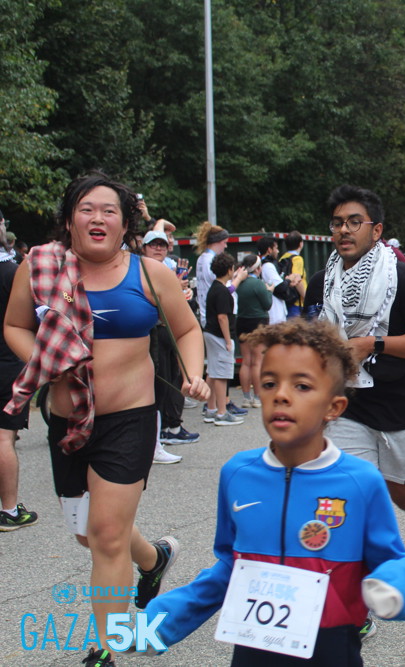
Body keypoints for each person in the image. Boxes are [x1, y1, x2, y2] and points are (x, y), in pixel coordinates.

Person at [2, 172, 211, 666]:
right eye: (87, 209)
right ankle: (154, 559)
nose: (98, 218)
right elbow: (14, 325)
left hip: (129, 420)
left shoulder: (150, 274)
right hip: (67, 421)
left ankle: (106, 648)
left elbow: (187, 331)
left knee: (108, 536)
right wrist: (47, 360)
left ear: (124, 223)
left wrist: (194, 374)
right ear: (69, 219)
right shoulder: (40, 267)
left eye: (109, 210)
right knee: (89, 534)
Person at [145, 319, 405, 664]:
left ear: (334, 407)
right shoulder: (238, 473)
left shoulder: (360, 481)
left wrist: (395, 586)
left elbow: (393, 559)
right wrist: (154, 627)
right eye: (269, 383)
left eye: (302, 385)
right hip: (251, 650)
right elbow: (230, 567)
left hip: (331, 649)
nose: (281, 394)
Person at [320, 185, 405, 582]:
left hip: (399, 405)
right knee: (347, 494)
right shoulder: (324, 281)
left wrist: (372, 344)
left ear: (376, 230)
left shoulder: (403, 278)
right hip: (347, 405)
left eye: (354, 222)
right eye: (337, 223)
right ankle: (355, 589)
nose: (344, 230)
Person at [142, 226, 198, 464]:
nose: (158, 248)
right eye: (153, 244)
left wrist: (182, 292)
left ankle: (160, 439)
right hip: (146, 335)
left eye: (162, 245)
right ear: (144, 247)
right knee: (153, 387)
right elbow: (67, 297)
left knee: (165, 385)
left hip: (165, 332)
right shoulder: (137, 270)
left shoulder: (168, 269)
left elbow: (186, 321)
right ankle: (157, 440)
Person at [0, 214, 38, 530]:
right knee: (3, 437)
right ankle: (10, 511)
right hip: (8, 362)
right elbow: (37, 315)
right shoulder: (12, 272)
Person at [204, 253, 245, 426]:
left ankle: (211, 409)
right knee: (221, 374)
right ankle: (222, 412)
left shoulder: (215, 287)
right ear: (229, 270)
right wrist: (228, 340)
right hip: (220, 335)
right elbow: (222, 317)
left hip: (210, 333)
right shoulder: (222, 291)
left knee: (212, 372)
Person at [235, 254, 274, 408]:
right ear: (257, 268)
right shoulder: (258, 284)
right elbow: (267, 304)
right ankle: (257, 398)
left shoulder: (239, 282)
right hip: (258, 322)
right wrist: (269, 291)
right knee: (258, 361)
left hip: (242, 321)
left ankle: (246, 397)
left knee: (246, 361)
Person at [279, 231, 308, 318]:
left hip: (286, 301)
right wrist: (307, 299)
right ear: (300, 244)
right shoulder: (297, 259)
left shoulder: (282, 258)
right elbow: (297, 280)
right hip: (297, 303)